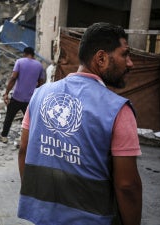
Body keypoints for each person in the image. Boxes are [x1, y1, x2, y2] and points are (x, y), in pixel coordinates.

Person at [17, 22, 142, 225]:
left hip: (42, 216)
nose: (130, 63)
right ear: (101, 58)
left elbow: (24, 150)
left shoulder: (40, 95)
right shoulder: (118, 110)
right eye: (125, 54)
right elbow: (127, 186)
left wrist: (38, 201)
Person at [0, 47, 45, 143]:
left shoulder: (19, 62)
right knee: (30, 122)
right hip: (30, 99)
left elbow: (13, 78)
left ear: (25, 53)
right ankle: (31, 140)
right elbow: (41, 82)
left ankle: (4, 136)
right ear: (33, 54)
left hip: (17, 97)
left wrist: (6, 93)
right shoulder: (39, 66)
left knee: (9, 118)